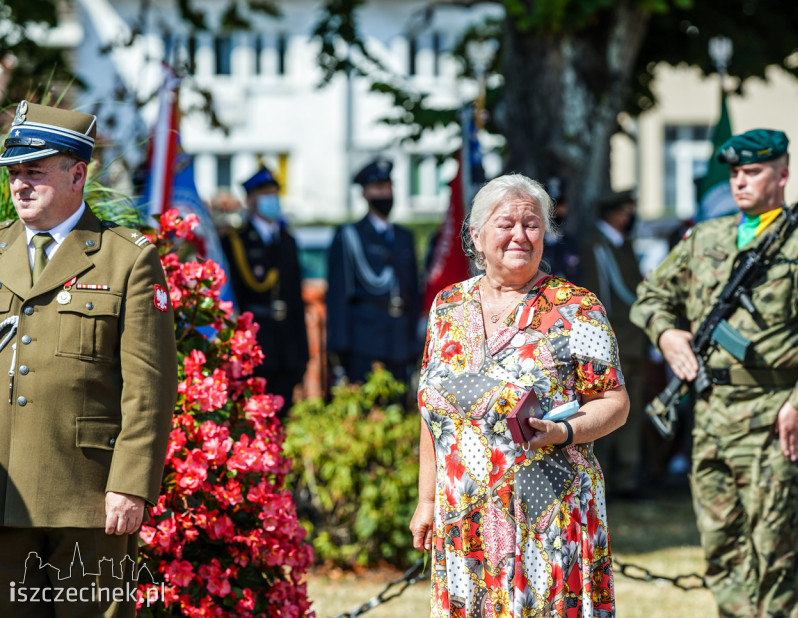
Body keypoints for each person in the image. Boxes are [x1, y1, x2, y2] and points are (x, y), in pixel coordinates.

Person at [631, 128, 798, 617]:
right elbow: (652, 297)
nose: (740, 182)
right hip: (713, 417)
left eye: (753, 172)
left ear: (782, 176)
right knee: (722, 552)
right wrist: (668, 335)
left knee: (776, 553)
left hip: (774, 419)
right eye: (735, 173)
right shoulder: (706, 238)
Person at [409, 173, 628, 617]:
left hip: (547, 515)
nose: (519, 235)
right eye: (505, 223)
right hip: (464, 516)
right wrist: (427, 500)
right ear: (476, 235)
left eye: (531, 224)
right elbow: (431, 410)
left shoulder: (575, 307)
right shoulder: (448, 306)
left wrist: (562, 431)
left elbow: (614, 402)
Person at [0, 101, 177, 616]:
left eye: (36, 170)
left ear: (78, 173)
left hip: (88, 498)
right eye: (14, 172)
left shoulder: (127, 258)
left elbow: (149, 387)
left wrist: (130, 484)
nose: (20, 184)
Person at [221, 167, 309, 417]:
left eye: (275, 193)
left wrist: (302, 353)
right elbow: (235, 294)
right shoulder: (236, 241)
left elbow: (295, 298)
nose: (272, 199)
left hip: (287, 345)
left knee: (283, 416)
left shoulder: (287, 239)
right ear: (250, 200)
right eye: (265, 194)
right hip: (257, 340)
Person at [326, 158, 420, 385]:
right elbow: (339, 296)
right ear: (365, 194)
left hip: (399, 339)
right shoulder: (350, 235)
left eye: (388, 187)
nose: (385, 194)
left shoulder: (403, 236)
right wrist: (339, 349)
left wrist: (415, 340)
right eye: (378, 188)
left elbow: (413, 290)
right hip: (364, 341)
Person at [579, 189, 647, 498]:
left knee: (630, 415)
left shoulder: (621, 245)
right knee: (603, 413)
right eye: (626, 211)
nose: (629, 217)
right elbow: (598, 297)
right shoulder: (597, 247)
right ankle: (603, 477)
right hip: (611, 344)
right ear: (615, 213)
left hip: (634, 341)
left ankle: (627, 478)